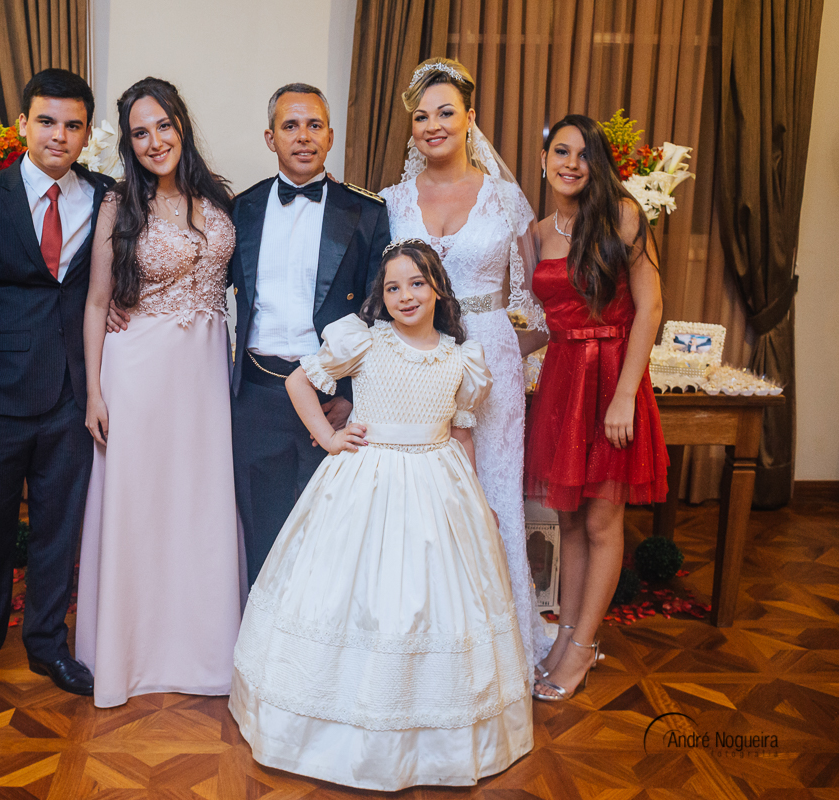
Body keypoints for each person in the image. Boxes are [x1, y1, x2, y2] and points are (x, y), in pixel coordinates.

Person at [230, 239, 533, 790]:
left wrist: (477, 501)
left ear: (437, 287)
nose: (405, 295)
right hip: (366, 482)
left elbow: (462, 432)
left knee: (435, 608)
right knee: (355, 599)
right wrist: (327, 436)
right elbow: (300, 379)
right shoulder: (364, 342)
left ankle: (429, 738)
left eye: (416, 283)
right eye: (392, 287)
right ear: (381, 297)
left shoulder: (463, 358)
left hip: (439, 489)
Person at [0, 69, 114, 725]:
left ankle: (46, 647)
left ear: (86, 133)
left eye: (71, 125)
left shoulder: (106, 198)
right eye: (46, 121)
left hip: (71, 394)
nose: (58, 135)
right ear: (23, 124)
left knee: (59, 532)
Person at [378, 58, 551, 686]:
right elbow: (380, 290)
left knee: (489, 497)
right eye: (421, 116)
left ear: (470, 118)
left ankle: (498, 653)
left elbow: (536, 300)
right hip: (415, 362)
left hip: (491, 360)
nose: (433, 125)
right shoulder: (393, 201)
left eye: (445, 112)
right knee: (423, 496)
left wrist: (505, 350)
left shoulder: (505, 199)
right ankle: (421, 653)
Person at [76, 78, 242, 707]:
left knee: (198, 504)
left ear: (182, 125)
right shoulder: (120, 205)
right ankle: (134, 653)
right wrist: (94, 392)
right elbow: (97, 303)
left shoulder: (218, 197)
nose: (154, 142)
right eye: (140, 133)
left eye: (163, 125)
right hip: (139, 370)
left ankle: (201, 648)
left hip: (203, 377)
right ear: (128, 143)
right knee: (141, 508)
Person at [525, 114, 668, 701]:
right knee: (568, 520)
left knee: (604, 520)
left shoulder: (625, 218)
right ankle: (564, 637)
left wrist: (625, 395)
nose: (572, 164)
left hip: (612, 377)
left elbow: (651, 309)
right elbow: (544, 322)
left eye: (584, 154)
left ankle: (582, 649)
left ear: (599, 163)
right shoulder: (536, 233)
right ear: (544, 159)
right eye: (562, 151)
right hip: (563, 378)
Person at [229, 83, 391, 586]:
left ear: (331, 136)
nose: (303, 137)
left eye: (314, 125)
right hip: (256, 394)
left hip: (330, 398)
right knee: (261, 532)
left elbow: (379, 313)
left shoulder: (366, 212)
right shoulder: (242, 208)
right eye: (290, 125)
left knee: (330, 539)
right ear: (269, 137)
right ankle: (260, 656)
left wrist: (349, 395)